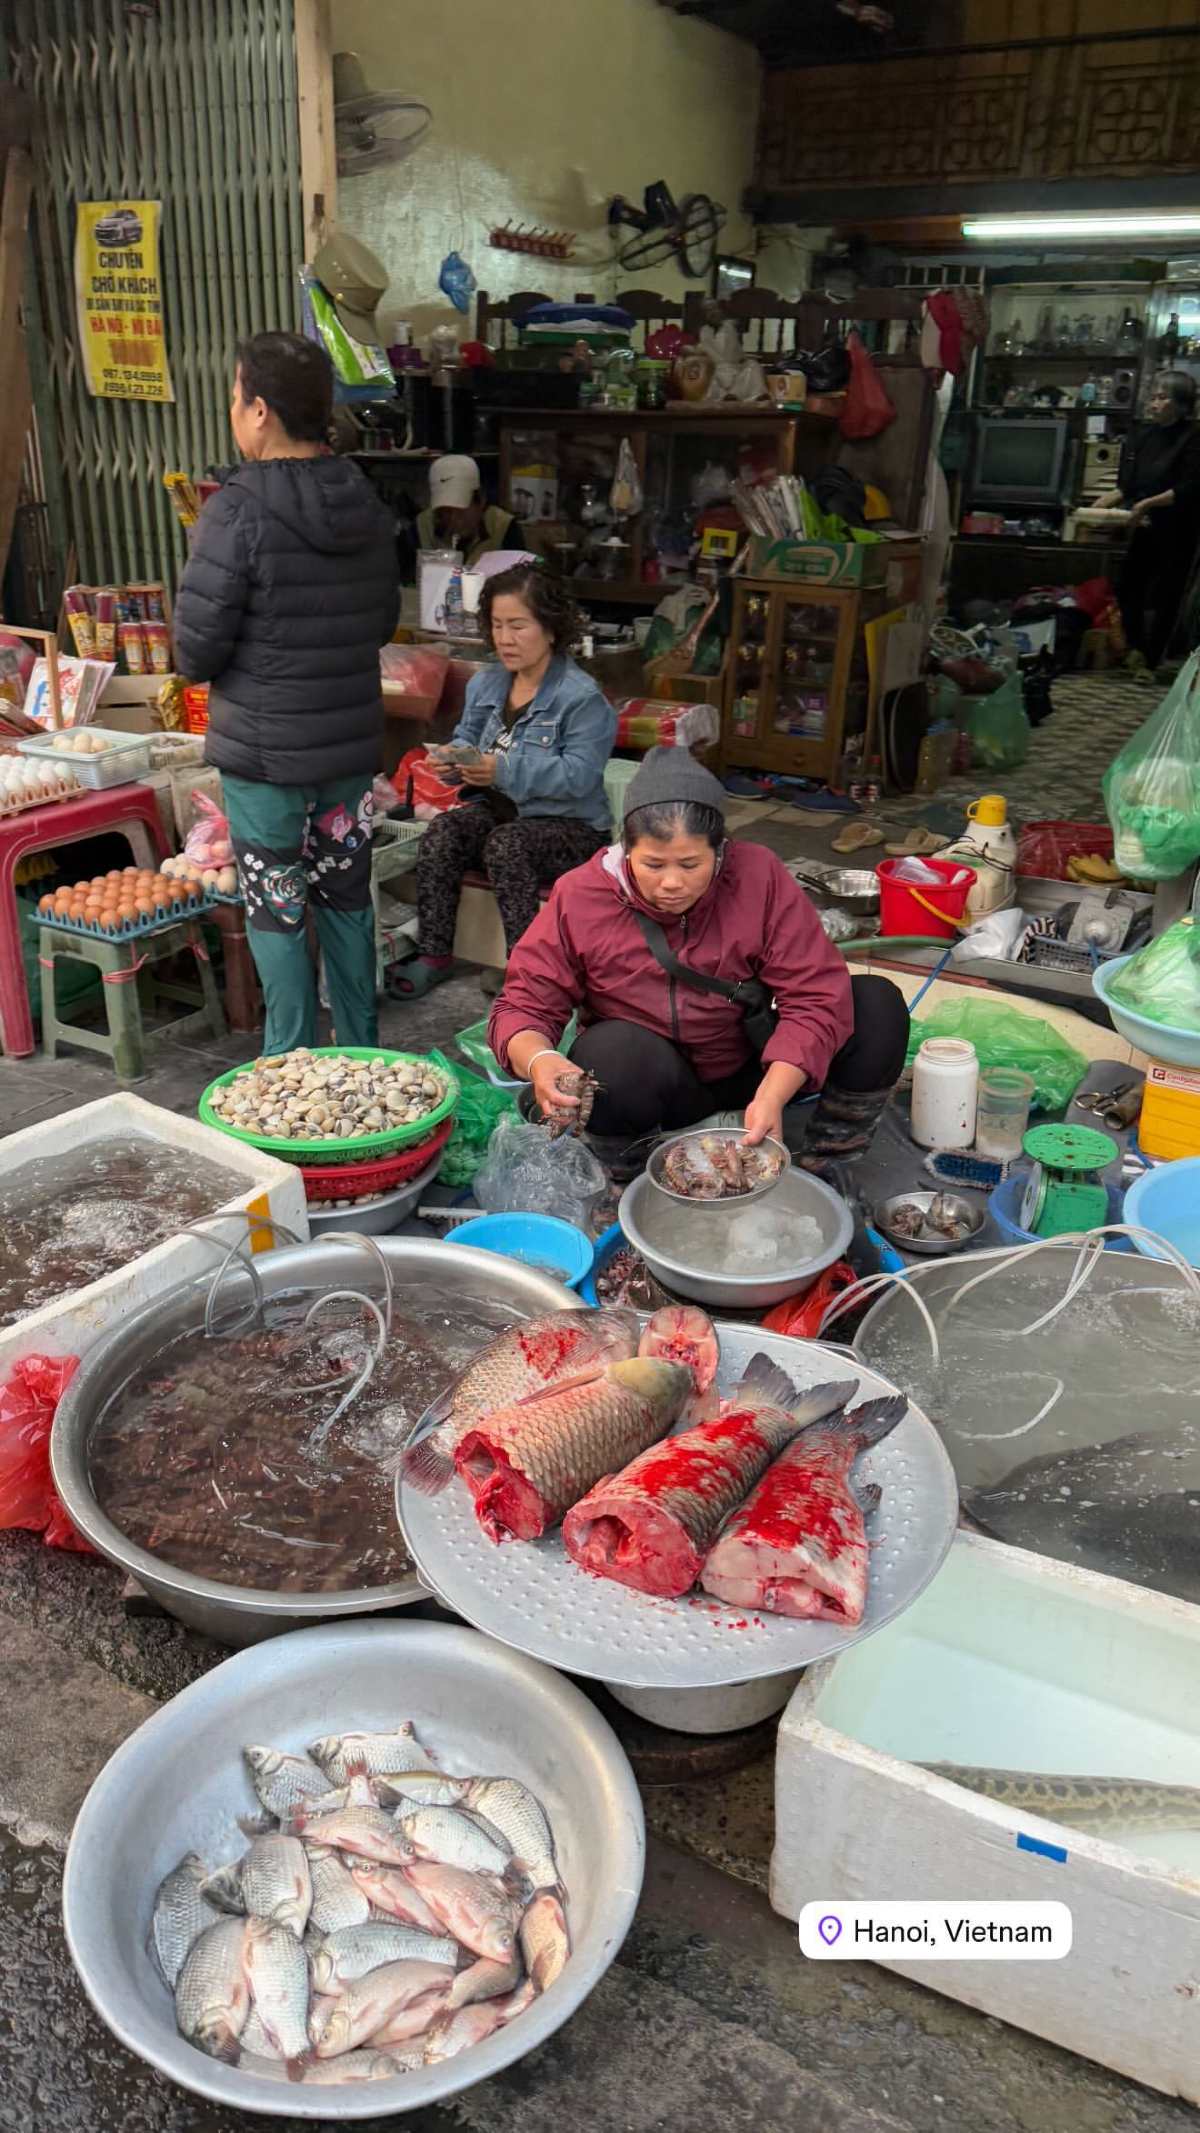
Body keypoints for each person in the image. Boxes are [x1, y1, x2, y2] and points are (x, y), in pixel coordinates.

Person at [487, 747, 910, 1172]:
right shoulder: (580, 895)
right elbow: (524, 1004)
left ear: (720, 851)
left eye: (691, 864)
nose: (672, 883)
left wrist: (773, 1094)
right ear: (626, 848)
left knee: (875, 1004)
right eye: (653, 864)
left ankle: (827, 1166)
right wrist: (539, 1060)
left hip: (753, 1066)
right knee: (609, 1052)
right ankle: (626, 1181)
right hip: (654, 1084)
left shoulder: (758, 875)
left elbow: (815, 993)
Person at [174, 330, 399, 1052]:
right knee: (346, 899)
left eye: (234, 397)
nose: (232, 412)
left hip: (266, 756)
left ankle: (288, 1064)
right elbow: (382, 621)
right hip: (346, 751)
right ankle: (362, 1052)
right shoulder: (363, 497)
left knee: (276, 908)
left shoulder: (233, 510)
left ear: (260, 409)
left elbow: (195, 651)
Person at [390, 563, 616, 999]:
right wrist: (453, 760)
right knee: (444, 831)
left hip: (572, 828)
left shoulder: (582, 697)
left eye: (518, 625)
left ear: (550, 629)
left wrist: (503, 770)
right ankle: (435, 954)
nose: (505, 638)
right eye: (496, 625)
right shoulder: (488, 682)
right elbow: (468, 738)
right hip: (503, 815)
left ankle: (527, 974)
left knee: (506, 844)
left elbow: (580, 775)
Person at [1098, 369, 1200, 672]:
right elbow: (1127, 485)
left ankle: (1152, 659)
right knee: (1128, 586)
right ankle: (1136, 649)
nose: (1154, 403)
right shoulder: (1143, 435)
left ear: (1181, 404)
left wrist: (1146, 504)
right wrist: (1099, 506)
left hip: (1179, 527)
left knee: (1167, 594)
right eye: (1153, 397)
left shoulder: (1194, 436)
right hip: (1145, 525)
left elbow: (1189, 487)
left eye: (1162, 398)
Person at [416, 455, 526, 566]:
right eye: (446, 512)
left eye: (461, 511)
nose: (454, 520)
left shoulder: (502, 527)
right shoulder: (424, 525)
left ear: (481, 499)